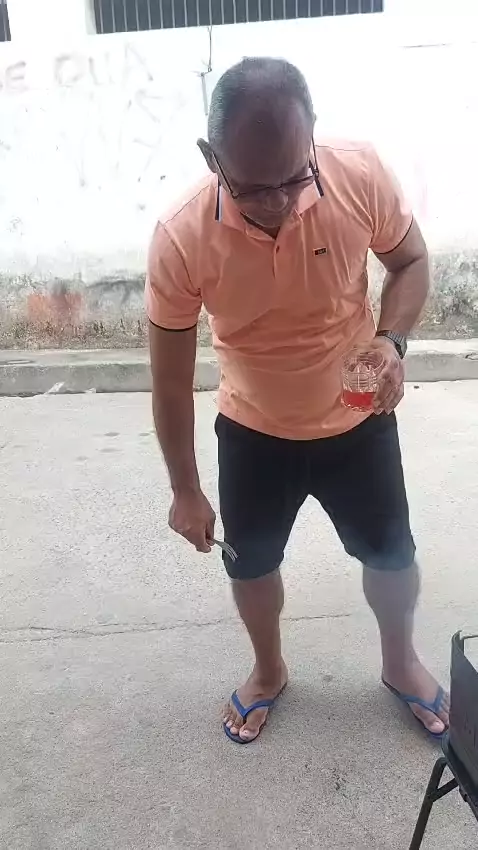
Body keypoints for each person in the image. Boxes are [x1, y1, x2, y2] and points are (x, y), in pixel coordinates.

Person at [146, 57, 449, 744]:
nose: (280, 203)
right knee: (251, 563)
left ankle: (400, 662)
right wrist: (185, 489)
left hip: (358, 417)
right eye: (255, 189)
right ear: (211, 158)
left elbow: (410, 260)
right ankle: (268, 670)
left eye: (295, 178)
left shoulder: (358, 173)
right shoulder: (181, 235)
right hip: (253, 430)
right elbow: (168, 379)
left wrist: (391, 341)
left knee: (392, 556)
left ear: (311, 139)